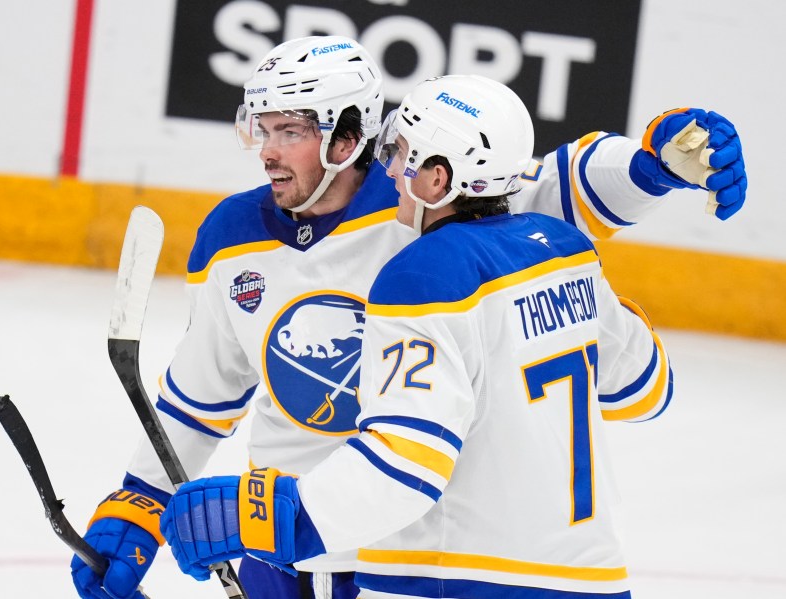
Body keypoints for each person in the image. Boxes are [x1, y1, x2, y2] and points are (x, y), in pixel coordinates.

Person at [70, 34, 746, 599]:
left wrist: (651, 169)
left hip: (389, 545)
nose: (269, 150)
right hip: (278, 549)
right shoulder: (231, 235)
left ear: (348, 136)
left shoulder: (426, 216)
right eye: (264, 129)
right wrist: (139, 500)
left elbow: (557, 184)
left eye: (292, 132)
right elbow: (201, 392)